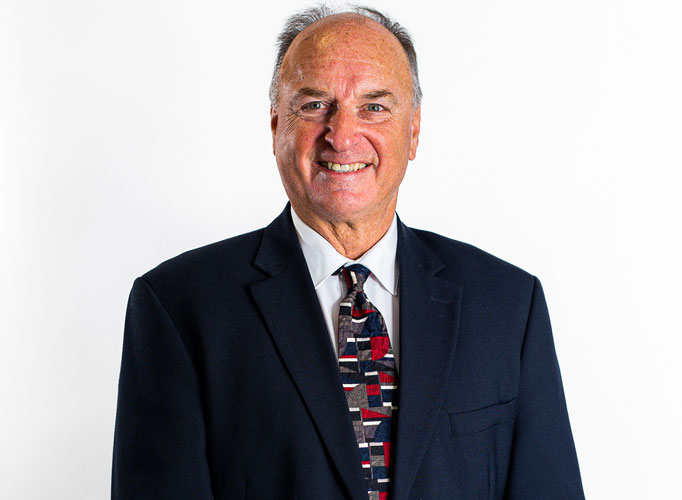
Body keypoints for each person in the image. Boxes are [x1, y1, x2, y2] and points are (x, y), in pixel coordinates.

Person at [112, 5, 585, 500]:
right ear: (275, 125)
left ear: (413, 131)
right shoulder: (178, 306)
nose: (341, 136)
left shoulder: (508, 304)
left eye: (374, 107)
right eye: (315, 104)